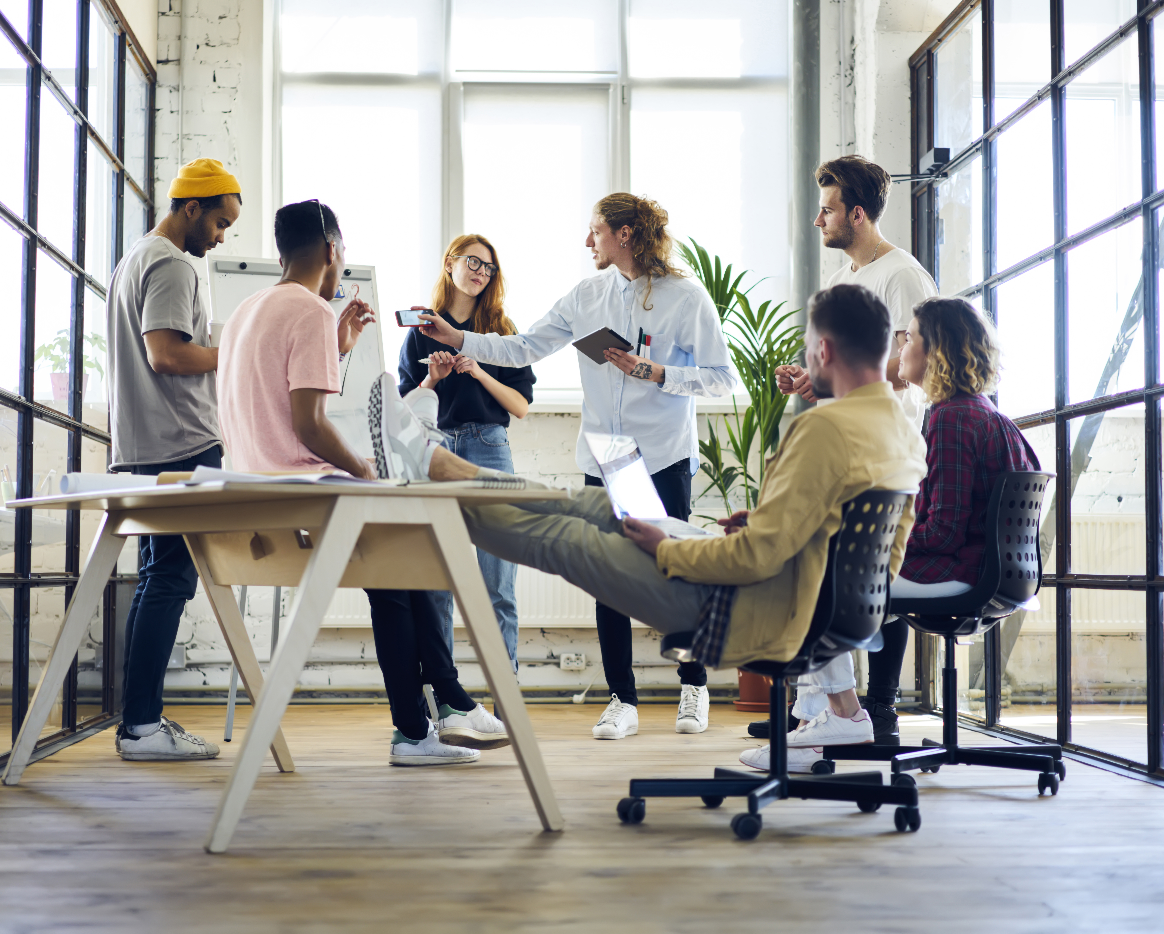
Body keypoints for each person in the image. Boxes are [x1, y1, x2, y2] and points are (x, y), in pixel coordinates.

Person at [369, 283, 927, 772]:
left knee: (569, 536)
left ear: (823, 350)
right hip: (805, 599)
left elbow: (757, 559)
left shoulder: (825, 429)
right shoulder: (900, 433)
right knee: (585, 507)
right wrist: (758, 528)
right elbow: (851, 547)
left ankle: (433, 478)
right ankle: (449, 469)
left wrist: (670, 549)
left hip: (749, 606)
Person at [416, 194, 735, 740]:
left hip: (661, 454)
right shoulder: (587, 296)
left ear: (626, 234)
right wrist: (459, 338)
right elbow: (522, 347)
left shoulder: (687, 298)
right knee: (605, 576)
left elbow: (722, 377)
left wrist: (659, 374)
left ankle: (693, 682)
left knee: (678, 570)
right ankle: (621, 698)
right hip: (607, 457)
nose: (588, 242)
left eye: (595, 232)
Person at [217, 198, 510, 767]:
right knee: (416, 551)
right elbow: (309, 425)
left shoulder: (247, 311)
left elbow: (270, 406)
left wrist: (338, 347)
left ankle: (431, 716)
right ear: (332, 250)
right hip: (312, 492)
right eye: (343, 252)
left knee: (402, 567)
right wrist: (364, 471)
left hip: (259, 495)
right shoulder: (308, 312)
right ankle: (433, 713)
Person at [763, 155, 941, 746]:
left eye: (828, 209)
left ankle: (879, 710)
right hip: (842, 443)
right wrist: (807, 376)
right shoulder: (843, 281)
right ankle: (820, 709)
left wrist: (836, 379)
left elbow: (914, 361)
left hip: (884, 446)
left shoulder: (903, 277)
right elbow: (840, 361)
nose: (820, 220)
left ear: (857, 214)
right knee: (823, 571)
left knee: (873, 579)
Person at [106, 158, 241, 762]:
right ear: (191, 208)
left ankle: (140, 722)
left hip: (144, 446)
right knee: (171, 580)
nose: (220, 237)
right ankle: (141, 727)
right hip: (180, 445)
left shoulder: (134, 258)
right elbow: (167, 356)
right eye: (218, 223)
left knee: (157, 580)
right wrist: (231, 352)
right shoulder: (171, 265)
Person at [398, 235, 536, 669]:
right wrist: (432, 381)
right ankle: (447, 699)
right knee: (438, 585)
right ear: (450, 264)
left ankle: (504, 695)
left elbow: (520, 406)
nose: (481, 272)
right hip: (437, 449)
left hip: (489, 448)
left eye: (489, 268)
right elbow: (400, 412)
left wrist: (478, 370)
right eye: (473, 262)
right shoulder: (421, 331)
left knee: (498, 587)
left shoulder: (502, 332)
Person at [892, 298, 1041, 598]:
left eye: (908, 338)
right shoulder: (985, 413)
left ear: (936, 351)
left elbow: (942, 535)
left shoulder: (952, 418)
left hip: (964, 571)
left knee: (835, 570)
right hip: (1005, 573)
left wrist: (882, 540)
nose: (900, 349)